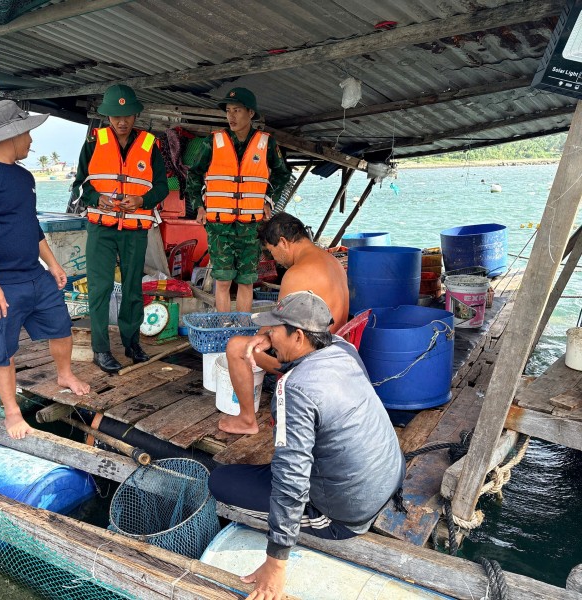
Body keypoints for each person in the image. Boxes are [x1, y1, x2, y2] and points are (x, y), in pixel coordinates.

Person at [209, 291, 406, 600]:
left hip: (346, 515)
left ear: (299, 335)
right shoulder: (341, 348)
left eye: (274, 331)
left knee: (220, 481)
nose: (269, 337)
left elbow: (291, 480)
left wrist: (276, 563)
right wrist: (266, 338)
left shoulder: (295, 389)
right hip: (388, 479)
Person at [0, 100, 90, 440]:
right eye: (27, 132)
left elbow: (30, 225)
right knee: (0, 349)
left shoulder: (24, 176)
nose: (31, 140)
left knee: (61, 326)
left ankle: (64, 374)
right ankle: (12, 413)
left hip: (33, 274)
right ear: (10, 135)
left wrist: (53, 263)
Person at [220, 213, 349, 434]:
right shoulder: (332, 261)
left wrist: (259, 337)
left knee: (236, 347)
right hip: (336, 349)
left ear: (282, 242)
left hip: (310, 363)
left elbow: (278, 330)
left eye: (272, 252)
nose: (275, 259)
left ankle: (247, 420)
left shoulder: (297, 273)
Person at [72, 84, 169, 374]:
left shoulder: (150, 145)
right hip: (101, 228)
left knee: (132, 289)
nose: (121, 121)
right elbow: (80, 185)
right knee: (99, 289)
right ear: (107, 117)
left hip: (135, 229)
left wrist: (142, 199)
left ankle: (131, 343)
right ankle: (101, 350)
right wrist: (95, 198)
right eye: (115, 116)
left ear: (135, 114)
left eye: (126, 115)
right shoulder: (93, 142)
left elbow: (162, 187)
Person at [186, 87, 291, 313]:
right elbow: (193, 173)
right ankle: (224, 328)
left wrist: (269, 201)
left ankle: (242, 329)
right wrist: (199, 206)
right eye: (228, 111)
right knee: (222, 281)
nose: (231, 116)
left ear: (250, 113)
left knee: (246, 281)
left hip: (251, 226)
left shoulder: (266, 143)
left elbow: (283, 174)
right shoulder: (213, 142)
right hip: (219, 226)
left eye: (237, 110)